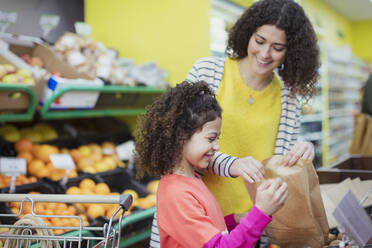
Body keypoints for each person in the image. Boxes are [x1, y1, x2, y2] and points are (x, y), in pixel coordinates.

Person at [150, 0, 319, 246]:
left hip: (249, 220)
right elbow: (181, 140)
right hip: (197, 214)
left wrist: (302, 154)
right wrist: (233, 164)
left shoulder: (288, 98)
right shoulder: (208, 71)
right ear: (247, 33)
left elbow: (278, 168)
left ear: (291, 51)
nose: (264, 54)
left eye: (277, 47)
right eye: (259, 41)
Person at [135, 81, 288, 248]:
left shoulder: (192, 179)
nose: (217, 147)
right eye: (211, 138)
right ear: (180, 137)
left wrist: (236, 220)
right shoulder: (176, 194)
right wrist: (260, 213)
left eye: (217, 138)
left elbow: (209, 233)